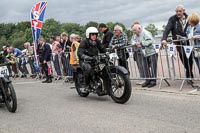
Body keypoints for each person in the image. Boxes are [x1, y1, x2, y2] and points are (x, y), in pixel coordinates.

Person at [161, 5, 194, 84]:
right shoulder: (172, 19)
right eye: (177, 11)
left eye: (180, 11)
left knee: (190, 59)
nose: (178, 13)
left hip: (189, 41)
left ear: (183, 11)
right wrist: (164, 39)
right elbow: (167, 29)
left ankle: (189, 74)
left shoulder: (189, 18)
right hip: (179, 43)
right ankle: (189, 74)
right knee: (183, 58)